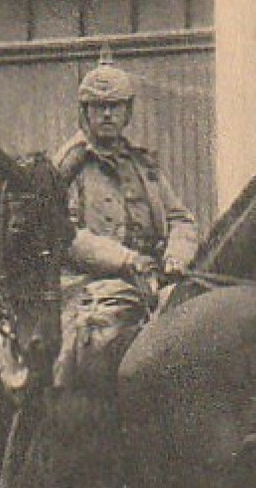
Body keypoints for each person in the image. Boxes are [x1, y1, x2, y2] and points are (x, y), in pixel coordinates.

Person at [51, 49, 199, 386]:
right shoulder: (67, 167)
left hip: (154, 280)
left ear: (127, 111)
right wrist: (126, 260)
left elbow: (181, 219)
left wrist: (176, 256)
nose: (106, 114)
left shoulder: (143, 165)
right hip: (89, 287)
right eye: (98, 107)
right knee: (99, 341)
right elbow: (66, 235)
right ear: (84, 112)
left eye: (114, 106)